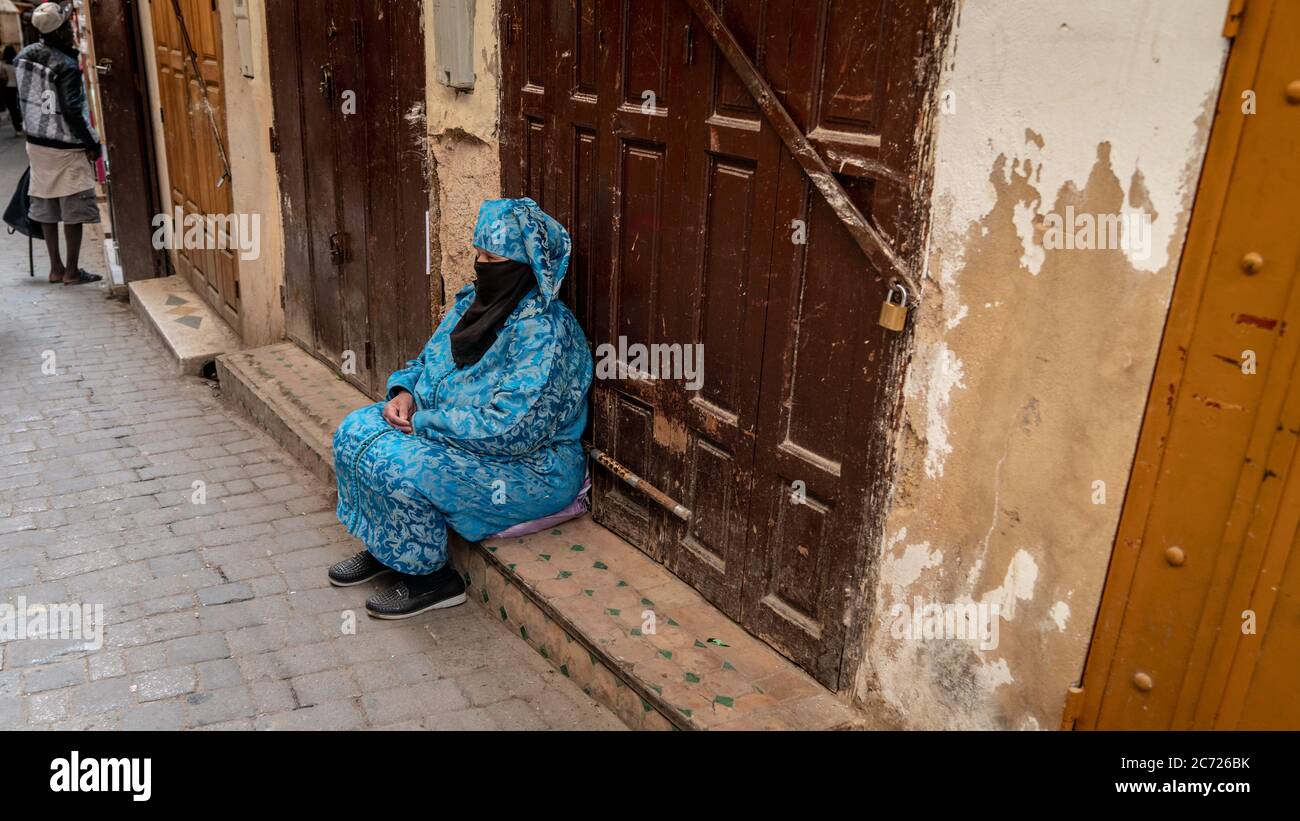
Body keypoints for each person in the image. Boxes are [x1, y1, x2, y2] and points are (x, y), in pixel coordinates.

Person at [329, 198, 593, 619]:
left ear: (525, 266)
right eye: (478, 254)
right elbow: (425, 362)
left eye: (493, 258)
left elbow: (512, 430)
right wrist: (405, 393)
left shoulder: (545, 333)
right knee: (355, 429)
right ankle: (388, 548)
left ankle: (432, 580)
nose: (480, 265)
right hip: (447, 430)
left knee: (407, 469)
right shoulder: (471, 304)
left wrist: (425, 423)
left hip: (529, 466)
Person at [15, 2, 102, 285]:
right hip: (64, 145)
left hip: (36, 144)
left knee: (46, 204)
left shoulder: (24, 57)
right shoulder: (64, 64)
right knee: (73, 205)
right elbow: (73, 110)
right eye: (67, 26)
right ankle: (72, 272)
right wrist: (92, 142)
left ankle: (55, 268)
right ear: (62, 30)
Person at [1, 46, 22, 136]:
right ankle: (22, 122)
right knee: (20, 107)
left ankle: (18, 129)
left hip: (8, 88)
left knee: (12, 109)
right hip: (19, 88)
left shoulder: (3, 65)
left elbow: (2, 77)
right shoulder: (18, 63)